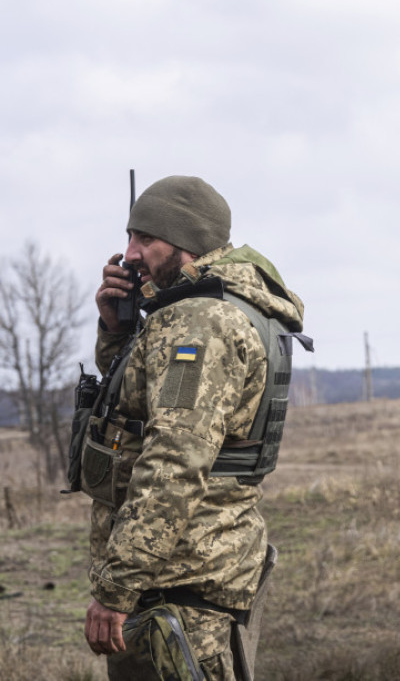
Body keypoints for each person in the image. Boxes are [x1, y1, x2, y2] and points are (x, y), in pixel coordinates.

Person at [79, 175, 307, 680]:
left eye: (145, 239)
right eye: (129, 237)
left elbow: (173, 461)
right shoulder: (198, 310)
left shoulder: (200, 323)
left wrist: (116, 587)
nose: (130, 254)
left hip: (181, 580)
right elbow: (138, 409)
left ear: (184, 243)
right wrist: (117, 330)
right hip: (184, 573)